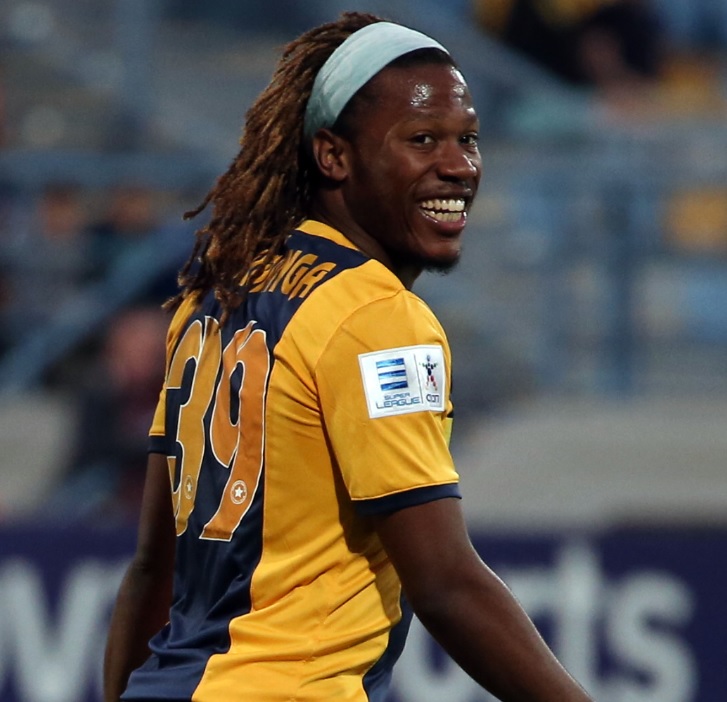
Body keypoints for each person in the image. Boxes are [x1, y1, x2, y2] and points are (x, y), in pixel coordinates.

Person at [104, 12, 595, 702]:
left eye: (467, 138)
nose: (458, 165)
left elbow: (153, 568)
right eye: (421, 139)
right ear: (333, 155)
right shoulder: (374, 316)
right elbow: (446, 584)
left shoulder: (214, 294)